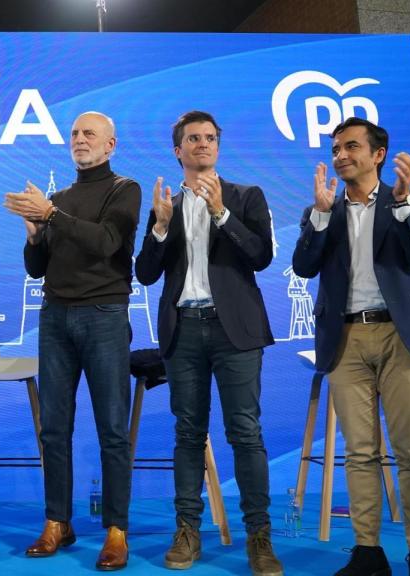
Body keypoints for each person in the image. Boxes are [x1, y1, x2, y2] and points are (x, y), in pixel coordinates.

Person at [292, 117, 410, 576]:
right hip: (345, 339)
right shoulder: (323, 208)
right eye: (336, 148)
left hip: (405, 337)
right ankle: (367, 551)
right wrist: (320, 216)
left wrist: (402, 205)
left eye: (351, 147)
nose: (341, 155)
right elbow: (303, 266)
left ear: (378, 155)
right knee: (359, 451)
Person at [134, 111, 283, 576]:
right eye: (193, 139)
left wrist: (221, 214)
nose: (203, 144)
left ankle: (259, 537)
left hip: (234, 331)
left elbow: (260, 256)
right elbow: (145, 273)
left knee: (245, 433)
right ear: (178, 150)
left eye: (210, 138)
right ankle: (188, 531)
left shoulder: (246, 196)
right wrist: (159, 229)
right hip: (183, 331)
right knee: (186, 435)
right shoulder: (165, 205)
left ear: (218, 146)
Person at [4, 111, 140, 571]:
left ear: (110, 145)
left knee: (112, 429)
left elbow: (105, 242)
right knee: (54, 428)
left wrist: (51, 215)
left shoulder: (125, 190)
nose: (79, 140)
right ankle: (57, 522)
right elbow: (37, 269)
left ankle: (116, 530)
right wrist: (35, 237)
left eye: (89, 134)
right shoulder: (58, 198)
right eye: (75, 134)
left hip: (104, 316)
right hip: (55, 318)